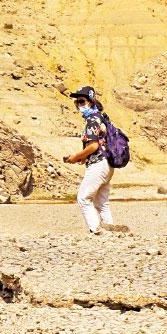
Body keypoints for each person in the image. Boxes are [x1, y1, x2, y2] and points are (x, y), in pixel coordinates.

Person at [63, 86, 125, 234]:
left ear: (91, 101)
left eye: (82, 101)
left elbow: (93, 146)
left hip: (98, 165)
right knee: (101, 202)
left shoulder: (91, 120)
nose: (79, 105)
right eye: (77, 102)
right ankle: (110, 230)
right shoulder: (101, 117)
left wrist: (76, 157)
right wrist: (81, 158)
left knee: (83, 198)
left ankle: (96, 230)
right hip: (108, 165)